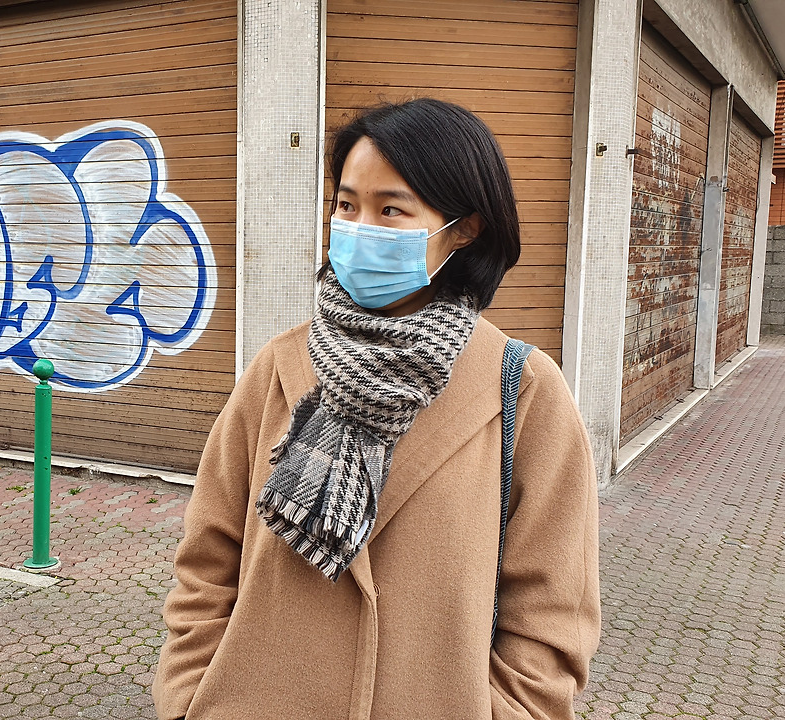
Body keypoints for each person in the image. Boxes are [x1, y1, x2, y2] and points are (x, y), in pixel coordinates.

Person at [152, 99, 600, 720]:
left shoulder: (523, 392)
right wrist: (188, 695)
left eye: (390, 209)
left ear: (464, 229)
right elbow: (208, 556)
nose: (359, 227)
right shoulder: (279, 367)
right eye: (346, 205)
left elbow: (553, 606)